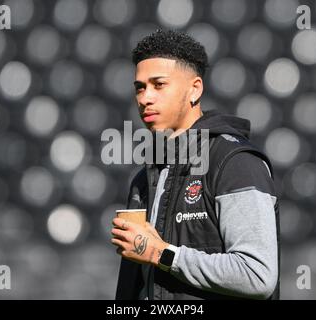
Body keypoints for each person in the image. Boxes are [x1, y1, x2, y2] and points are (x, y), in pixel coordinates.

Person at [111, 29, 280, 300]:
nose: (145, 98)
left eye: (159, 84)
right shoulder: (145, 176)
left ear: (195, 89)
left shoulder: (234, 162)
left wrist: (160, 253)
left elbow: (257, 274)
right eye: (140, 87)